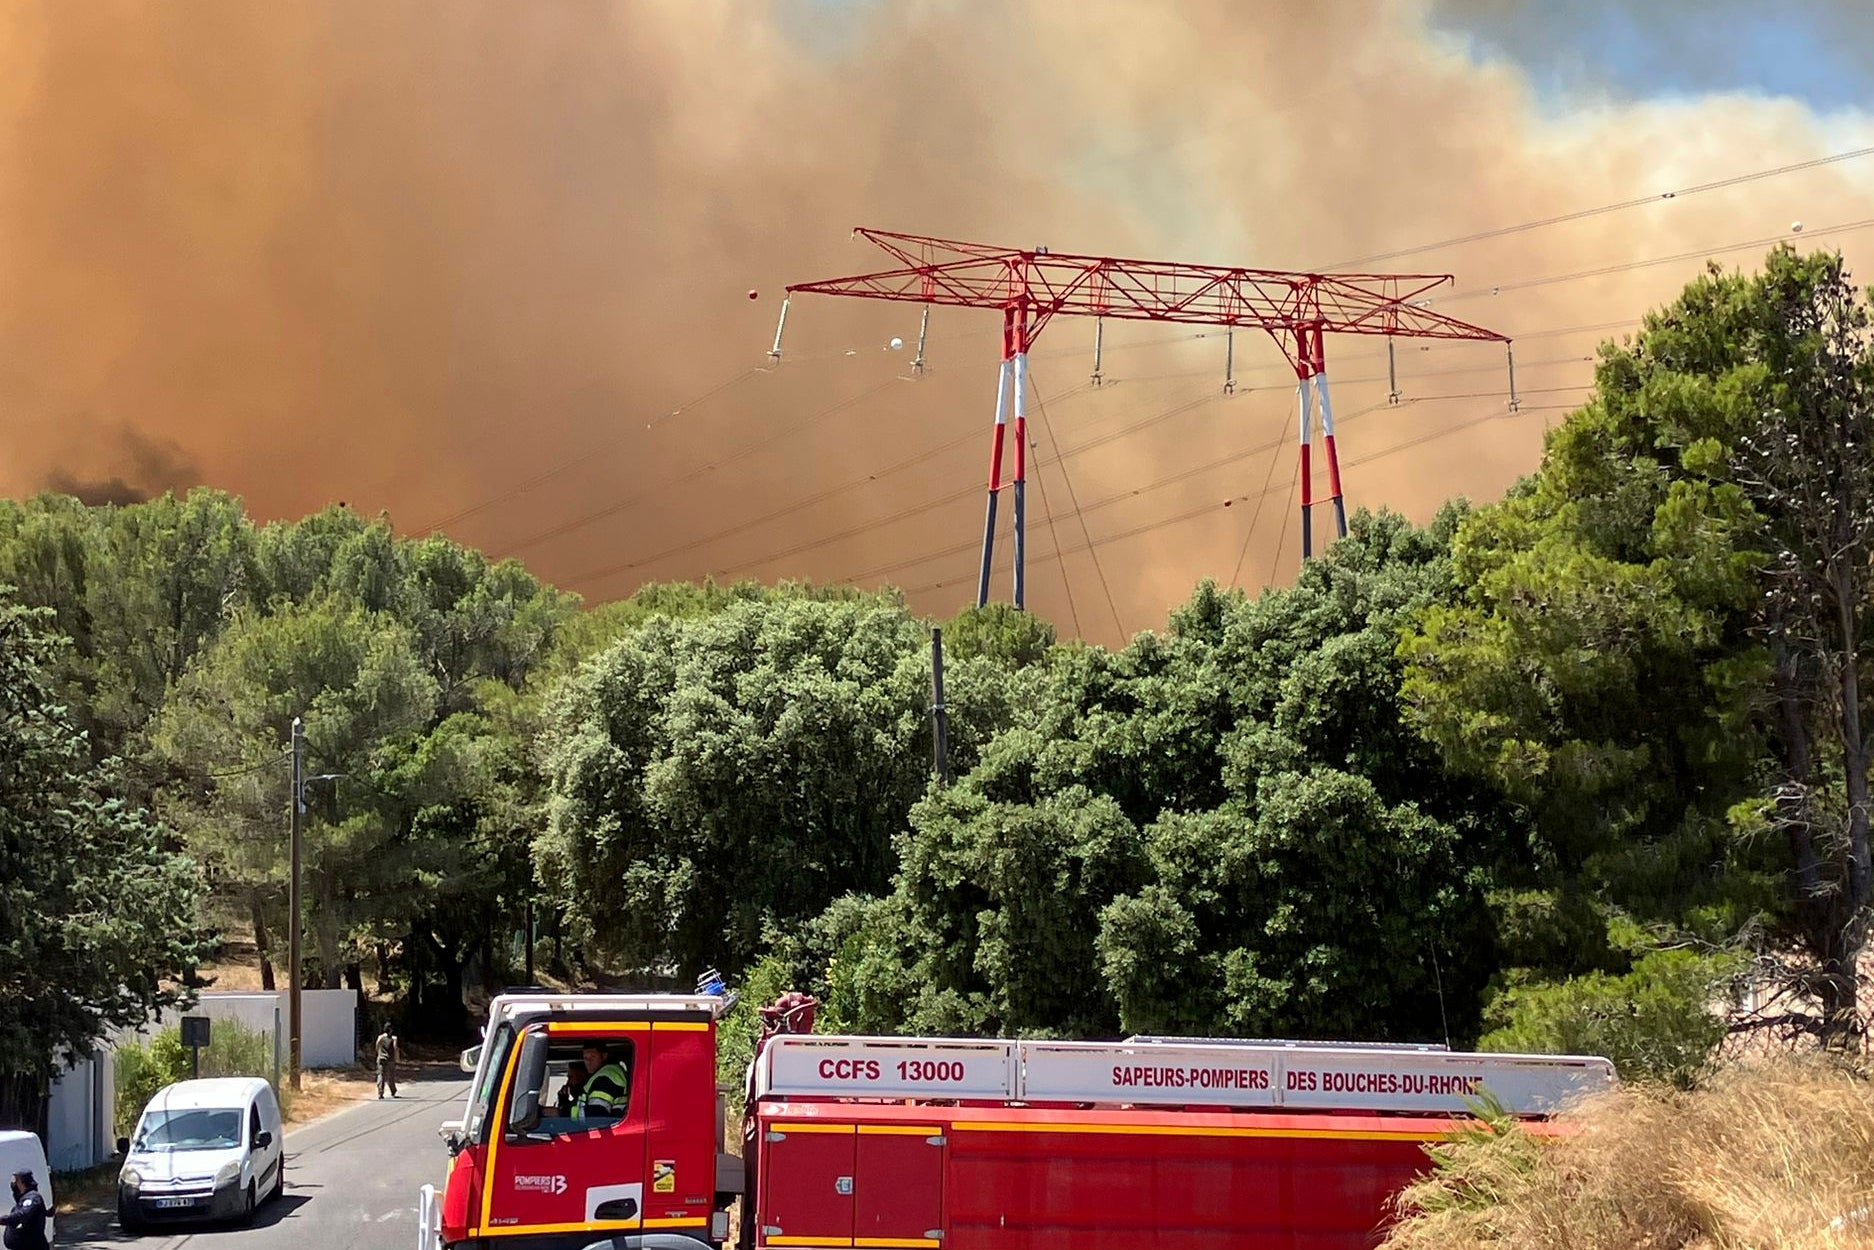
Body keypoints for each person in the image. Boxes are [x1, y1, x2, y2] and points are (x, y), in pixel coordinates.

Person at [576, 1043, 629, 1120]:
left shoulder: (605, 1077)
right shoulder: (607, 1073)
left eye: (592, 1057)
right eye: (585, 1058)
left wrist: (561, 1113)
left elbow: (596, 1115)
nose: (588, 1062)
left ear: (604, 1056)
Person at [2, 1170, 48, 1250]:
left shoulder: (33, 1198)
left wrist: (4, 1219)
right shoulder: (23, 1198)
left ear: (23, 1182)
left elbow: (22, 1214)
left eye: (16, 1180)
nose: (14, 1183)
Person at [375, 1022, 402, 1099]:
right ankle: (393, 1091)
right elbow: (395, 1048)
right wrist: (397, 1058)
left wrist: (378, 1054)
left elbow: (376, 1046)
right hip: (390, 1059)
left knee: (381, 1075)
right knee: (391, 1076)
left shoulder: (380, 1037)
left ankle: (380, 1092)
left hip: (381, 1058)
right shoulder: (394, 1038)